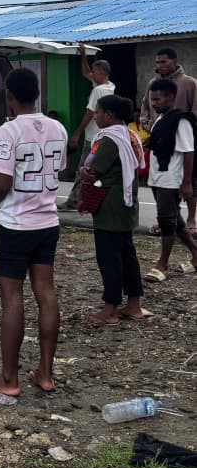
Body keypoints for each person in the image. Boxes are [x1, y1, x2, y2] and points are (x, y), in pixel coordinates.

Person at [0, 68, 68, 396]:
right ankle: (45, 373)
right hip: (47, 222)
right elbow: (59, 170)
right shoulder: (58, 128)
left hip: (16, 224)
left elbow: (2, 180)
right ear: (37, 94)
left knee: (12, 297)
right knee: (46, 293)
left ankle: (9, 379)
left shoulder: (9, 130)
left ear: (9, 96)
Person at [78, 94, 147, 325]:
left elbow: (93, 172)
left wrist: (83, 172)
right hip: (127, 203)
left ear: (108, 115)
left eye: (97, 112)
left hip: (109, 205)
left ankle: (110, 308)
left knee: (109, 257)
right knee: (127, 254)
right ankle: (134, 304)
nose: (95, 116)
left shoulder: (109, 139)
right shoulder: (131, 135)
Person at [143, 77, 197, 281]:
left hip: (171, 179)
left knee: (166, 220)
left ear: (171, 97)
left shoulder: (181, 120)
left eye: (157, 99)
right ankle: (196, 254)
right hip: (158, 177)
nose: (154, 103)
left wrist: (186, 182)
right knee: (176, 220)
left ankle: (162, 264)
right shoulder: (161, 118)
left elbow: (188, 151)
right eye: (152, 99)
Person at [140, 47, 197, 232]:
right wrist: (148, 125)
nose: (160, 65)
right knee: (163, 184)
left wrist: (186, 128)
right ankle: (168, 219)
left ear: (174, 61)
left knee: (188, 181)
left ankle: (191, 219)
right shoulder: (153, 83)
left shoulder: (189, 83)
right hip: (160, 140)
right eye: (157, 62)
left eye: (163, 61)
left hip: (184, 137)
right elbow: (145, 108)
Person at [63, 54, 115, 210]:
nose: (91, 74)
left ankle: (74, 201)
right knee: (96, 170)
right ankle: (88, 200)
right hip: (103, 135)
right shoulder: (110, 86)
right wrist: (83, 55)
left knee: (83, 169)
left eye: (94, 71)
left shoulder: (98, 91)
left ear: (101, 72)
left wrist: (76, 134)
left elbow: (89, 113)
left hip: (92, 137)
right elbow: (86, 73)